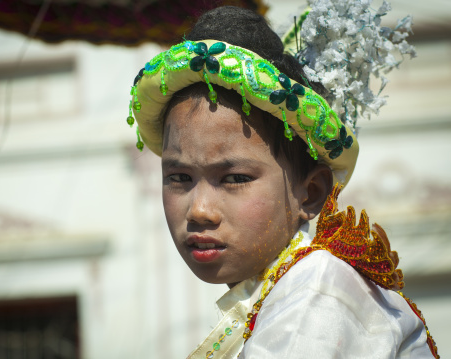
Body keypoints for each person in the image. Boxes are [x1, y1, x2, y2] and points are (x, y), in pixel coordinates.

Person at [125, 4, 439, 359]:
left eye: (234, 178)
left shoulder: (320, 295)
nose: (199, 210)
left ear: (312, 192)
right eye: (179, 177)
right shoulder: (285, 290)